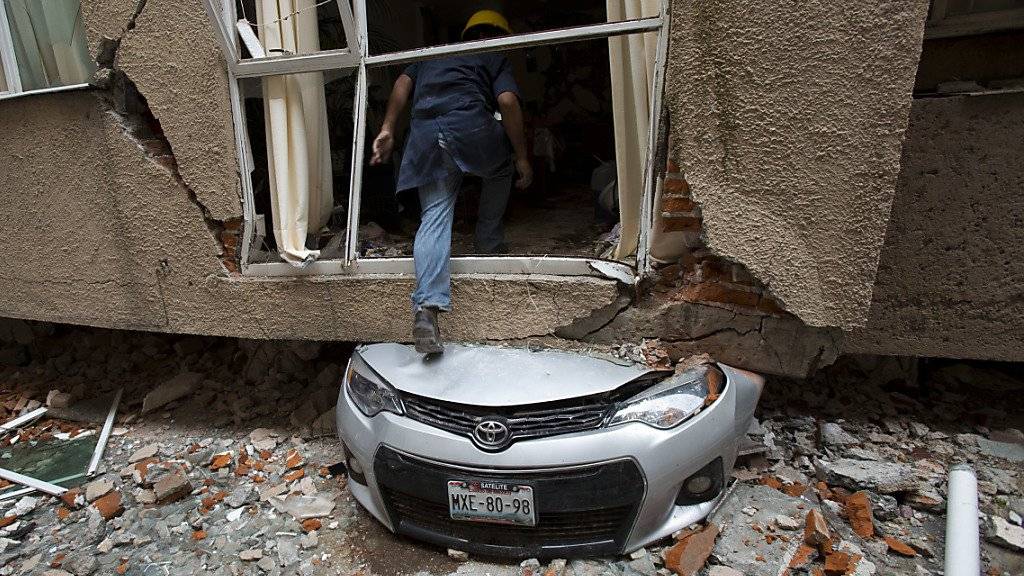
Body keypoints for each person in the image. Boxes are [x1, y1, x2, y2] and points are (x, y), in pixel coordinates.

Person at [370, 9, 532, 355]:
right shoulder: (492, 53)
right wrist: (522, 157)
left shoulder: (435, 54)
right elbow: (506, 101)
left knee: (435, 216)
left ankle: (426, 309)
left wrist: (388, 128)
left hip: (426, 135)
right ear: (498, 35)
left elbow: (401, 82)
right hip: (470, 126)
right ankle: (488, 242)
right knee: (501, 170)